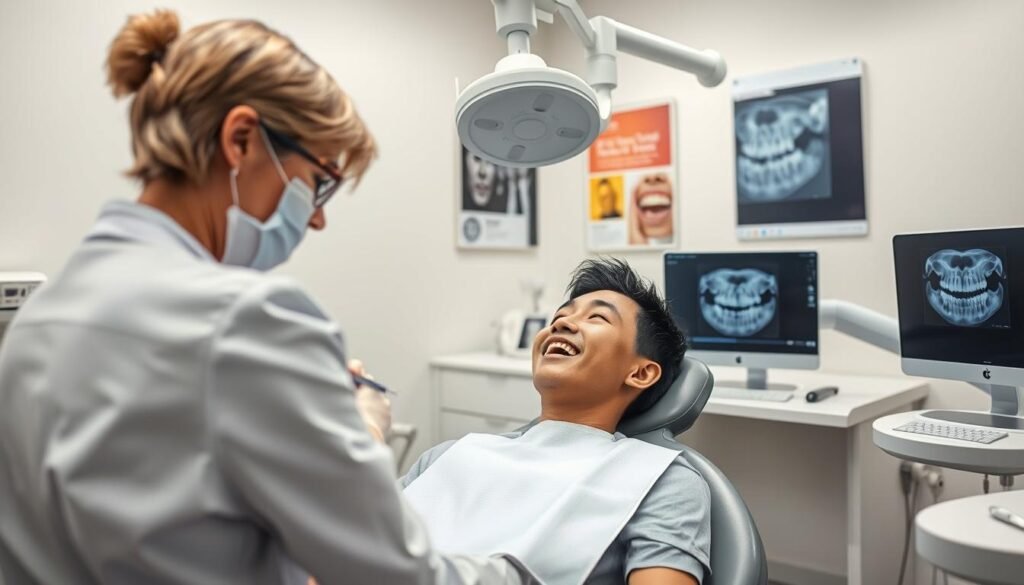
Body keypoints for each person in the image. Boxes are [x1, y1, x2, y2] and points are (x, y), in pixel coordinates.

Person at [0, 10, 528, 585]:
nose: (319, 218)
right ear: (242, 140)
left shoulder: (35, 322)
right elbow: (392, 575)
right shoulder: (244, 321)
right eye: (319, 181)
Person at [401, 259, 711, 585]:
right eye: (560, 316)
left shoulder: (661, 480)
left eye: (597, 317)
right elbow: (358, 544)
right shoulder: (447, 456)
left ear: (640, 373)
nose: (560, 325)